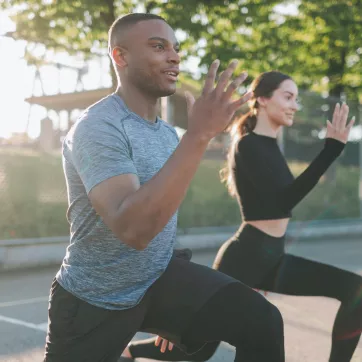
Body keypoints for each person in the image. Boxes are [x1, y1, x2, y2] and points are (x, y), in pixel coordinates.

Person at [43, 13, 286, 362]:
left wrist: (176, 308)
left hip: (157, 279)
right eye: (158, 47)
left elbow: (162, 213)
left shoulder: (165, 133)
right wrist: (199, 136)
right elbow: (134, 229)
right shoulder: (98, 128)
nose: (174, 56)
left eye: (175, 48)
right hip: (96, 298)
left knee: (261, 319)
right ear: (120, 56)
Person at [123, 71, 362, 362]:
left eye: (296, 99)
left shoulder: (271, 146)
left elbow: (284, 199)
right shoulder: (247, 145)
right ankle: (130, 351)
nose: (295, 106)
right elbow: (283, 201)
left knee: (355, 291)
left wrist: (330, 151)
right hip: (245, 259)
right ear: (262, 99)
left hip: (273, 258)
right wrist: (330, 151)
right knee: (199, 349)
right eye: (287, 97)